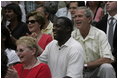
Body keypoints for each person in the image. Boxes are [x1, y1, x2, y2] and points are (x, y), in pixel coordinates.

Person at [71, 7, 116, 78]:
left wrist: (86, 65)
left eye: (80, 16)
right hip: (78, 71)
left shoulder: (100, 34)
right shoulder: (72, 35)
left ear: (89, 19)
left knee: (107, 67)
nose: (76, 19)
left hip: (96, 70)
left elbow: (108, 58)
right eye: (75, 17)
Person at [96, 1, 117, 74]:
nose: (107, 3)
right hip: (103, 61)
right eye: (106, 2)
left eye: (110, 1)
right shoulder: (100, 24)